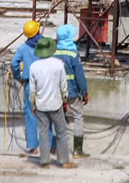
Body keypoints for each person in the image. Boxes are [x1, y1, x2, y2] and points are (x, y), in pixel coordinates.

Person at [28, 37, 76, 169]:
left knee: (43, 133)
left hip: (40, 104)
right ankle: (64, 160)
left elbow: (32, 90)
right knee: (61, 133)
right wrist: (64, 100)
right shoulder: (58, 64)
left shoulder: (34, 66)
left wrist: (33, 105)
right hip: (56, 103)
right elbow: (63, 86)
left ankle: (44, 161)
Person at [54, 23, 89, 157]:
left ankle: (57, 148)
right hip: (72, 91)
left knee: (58, 118)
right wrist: (84, 91)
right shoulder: (73, 54)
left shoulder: (54, 53)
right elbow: (79, 76)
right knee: (78, 117)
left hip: (57, 92)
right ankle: (77, 150)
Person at [11, 20, 43, 155]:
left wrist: (19, 77)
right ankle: (50, 146)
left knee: (31, 115)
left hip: (30, 85)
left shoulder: (23, 48)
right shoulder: (46, 45)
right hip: (46, 85)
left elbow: (14, 63)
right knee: (49, 114)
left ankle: (33, 146)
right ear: (38, 31)